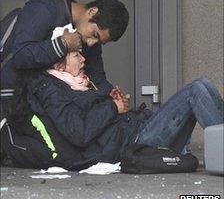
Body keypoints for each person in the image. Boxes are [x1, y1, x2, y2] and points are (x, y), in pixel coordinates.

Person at [1, 49, 223, 170]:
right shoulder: (51, 90)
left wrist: (118, 106)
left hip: (135, 130)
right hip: (135, 142)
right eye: (77, 55)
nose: (83, 58)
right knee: (195, 90)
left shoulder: (72, 84)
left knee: (203, 84)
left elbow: (92, 116)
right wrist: (111, 107)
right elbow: (79, 131)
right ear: (59, 65)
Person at [1, 0, 130, 117]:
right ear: (92, 11)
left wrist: (111, 96)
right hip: (11, 102)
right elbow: (21, 56)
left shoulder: (89, 39)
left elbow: (96, 77)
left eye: (99, 41)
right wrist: (62, 45)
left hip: (43, 107)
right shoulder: (45, 9)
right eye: (95, 35)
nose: (91, 43)